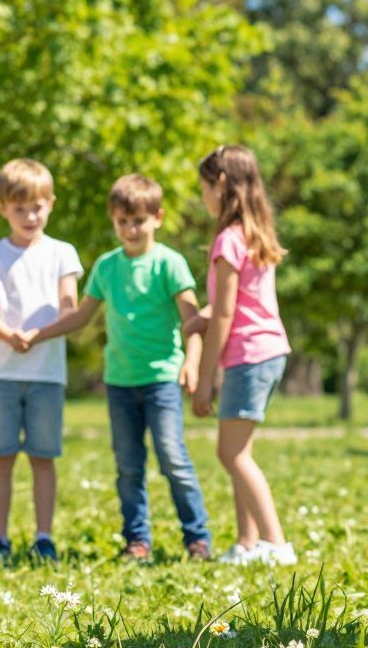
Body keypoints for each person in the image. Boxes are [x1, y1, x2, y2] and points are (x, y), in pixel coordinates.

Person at [29, 173, 213, 562]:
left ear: (157, 218)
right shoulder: (106, 267)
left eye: (139, 221)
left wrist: (192, 362)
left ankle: (197, 537)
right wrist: (37, 335)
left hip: (161, 378)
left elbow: (193, 322)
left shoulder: (170, 264)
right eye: (123, 221)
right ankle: (137, 540)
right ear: (113, 221)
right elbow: (81, 316)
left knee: (173, 458)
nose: (131, 229)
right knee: (128, 467)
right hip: (120, 382)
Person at [0, 158, 83, 562]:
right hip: (0, 373)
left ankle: (44, 537)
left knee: (43, 458)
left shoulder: (62, 253)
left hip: (47, 374)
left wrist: (38, 335)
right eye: (19, 209)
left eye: (37, 207)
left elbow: (70, 309)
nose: (30, 216)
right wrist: (9, 335)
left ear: (50, 204)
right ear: (2, 208)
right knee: (1, 457)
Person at [188, 144, 294, 566]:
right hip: (267, 351)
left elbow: (225, 313)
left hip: (249, 354)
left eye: (204, 189)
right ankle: (247, 543)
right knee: (239, 451)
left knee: (230, 454)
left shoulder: (228, 241)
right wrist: (200, 318)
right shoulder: (254, 236)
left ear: (220, 184)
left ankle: (275, 543)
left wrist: (203, 380)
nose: (203, 198)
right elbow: (236, 303)